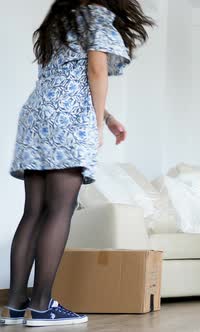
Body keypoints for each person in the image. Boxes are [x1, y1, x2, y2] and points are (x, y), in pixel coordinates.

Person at [1, 0, 153, 327]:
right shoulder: (96, 14)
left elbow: (65, 77)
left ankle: (15, 306)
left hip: (36, 117)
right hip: (67, 120)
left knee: (34, 212)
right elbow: (96, 70)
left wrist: (109, 118)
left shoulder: (58, 21)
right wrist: (96, 123)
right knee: (60, 210)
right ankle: (41, 306)